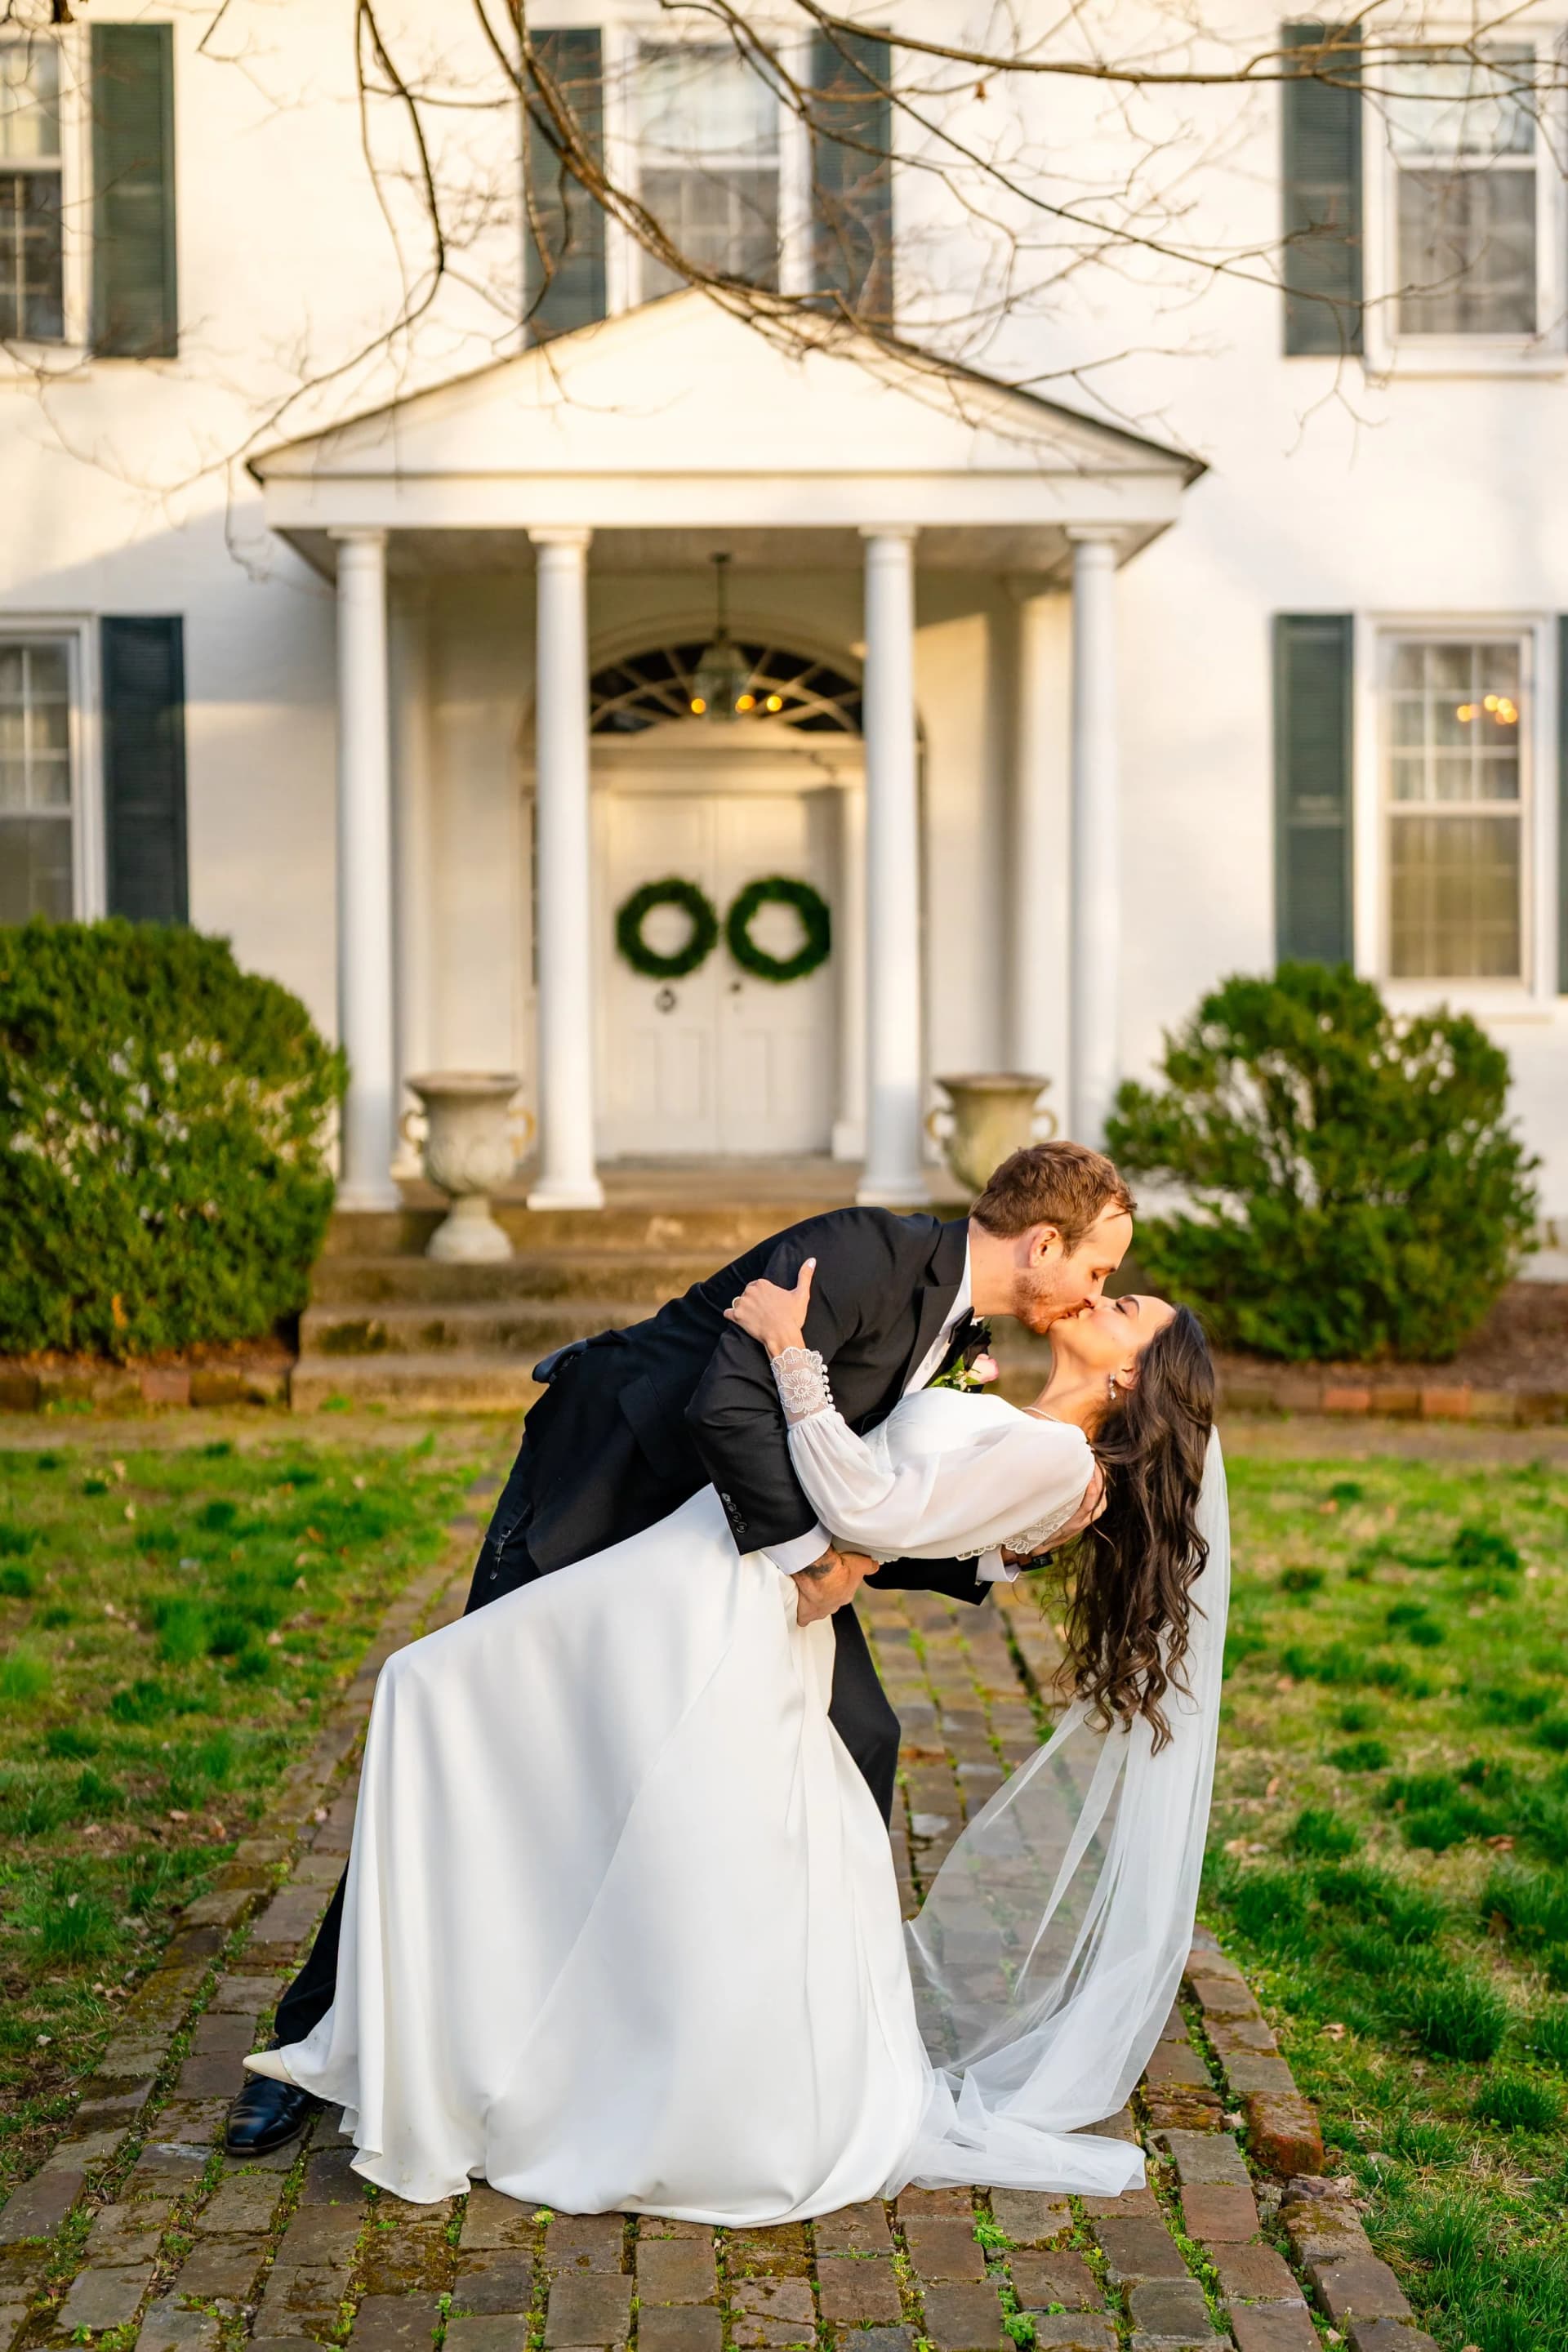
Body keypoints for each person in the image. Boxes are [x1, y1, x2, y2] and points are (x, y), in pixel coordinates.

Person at [242, 1262, 1223, 2217]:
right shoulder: (1007, 1405)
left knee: (457, 1700)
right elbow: (904, 1497)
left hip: (736, 1586)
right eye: (1102, 1268)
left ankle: (531, 2056)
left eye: (1123, 1299)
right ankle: (416, 2024)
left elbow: (870, 1506)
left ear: (1134, 1372)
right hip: (713, 1550)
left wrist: (795, 1356)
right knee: (489, 1720)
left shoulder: (1060, 1463)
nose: (1100, 1290)